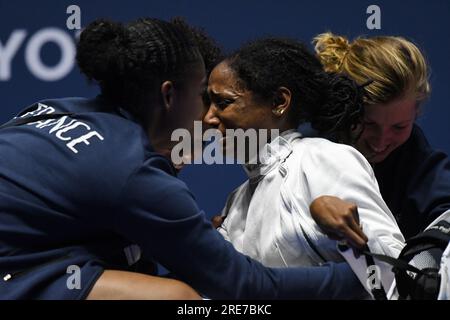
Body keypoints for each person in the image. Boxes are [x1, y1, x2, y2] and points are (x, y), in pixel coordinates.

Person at [0, 18, 366, 300]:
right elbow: (245, 287)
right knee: (179, 299)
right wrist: (364, 277)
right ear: (170, 96)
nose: (208, 116)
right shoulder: (134, 171)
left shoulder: (51, 109)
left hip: (22, 258)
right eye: (203, 95)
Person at [203, 37, 405, 297]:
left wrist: (348, 237)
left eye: (223, 103)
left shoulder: (322, 159)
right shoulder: (236, 202)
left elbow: (399, 280)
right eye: (208, 103)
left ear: (279, 102)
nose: (208, 117)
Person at [310, 33, 450, 241]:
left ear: (416, 112)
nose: (381, 141)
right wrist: (312, 207)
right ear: (344, 107)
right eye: (369, 124)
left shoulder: (423, 168)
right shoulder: (304, 147)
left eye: (399, 126)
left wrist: (428, 253)